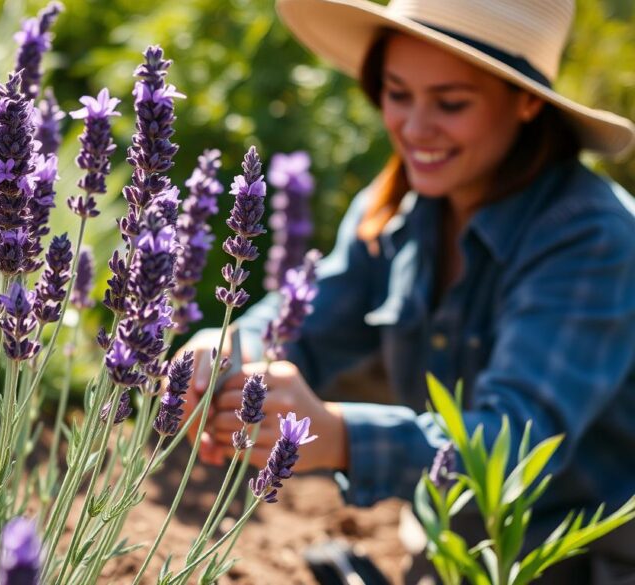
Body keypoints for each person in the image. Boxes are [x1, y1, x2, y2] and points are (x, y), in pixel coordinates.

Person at [178, 0, 635, 582]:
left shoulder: (591, 239)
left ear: (527, 103)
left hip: (588, 557)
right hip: (455, 543)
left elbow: (514, 447)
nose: (414, 128)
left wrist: (338, 436)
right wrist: (227, 348)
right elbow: (304, 326)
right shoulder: (397, 210)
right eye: (397, 94)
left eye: (451, 103)